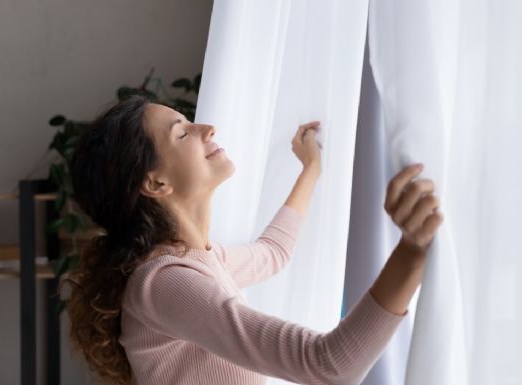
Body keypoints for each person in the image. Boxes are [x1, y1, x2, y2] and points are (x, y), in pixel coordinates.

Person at [60, 95, 442, 385]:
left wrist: (310, 170)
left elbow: (273, 253)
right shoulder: (166, 283)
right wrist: (411, 252)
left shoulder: (195, 262)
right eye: (182, 132)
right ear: (156, 183)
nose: (206, 129)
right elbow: (330, 364)